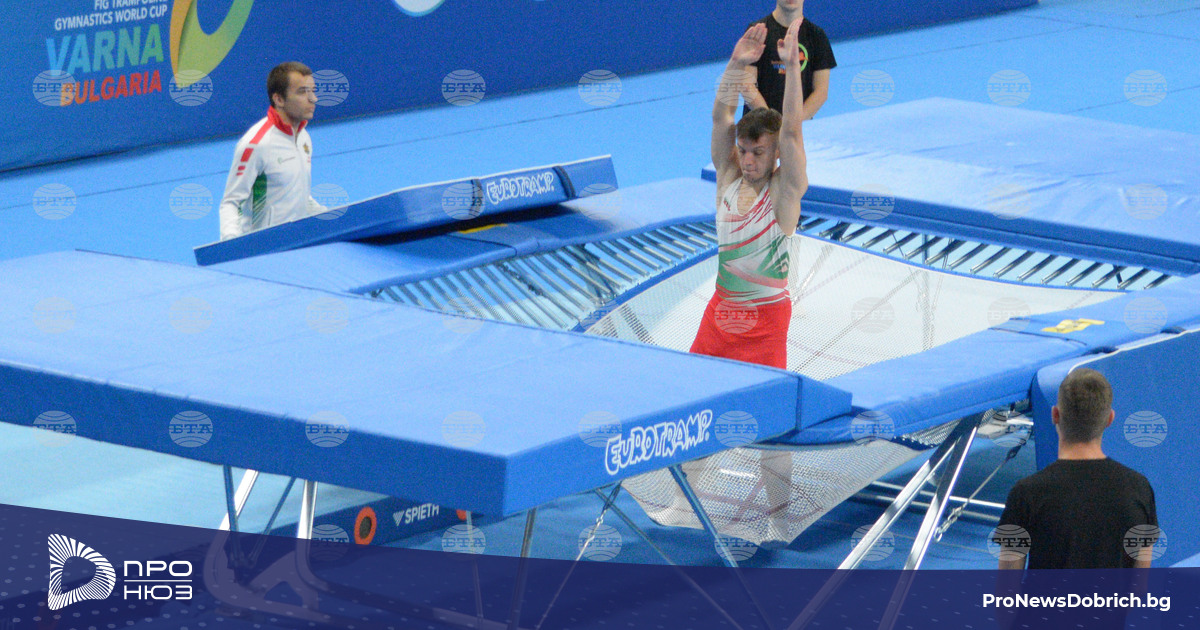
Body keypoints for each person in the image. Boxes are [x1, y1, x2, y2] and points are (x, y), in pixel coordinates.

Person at [690, 20, 807, 370]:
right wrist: (736, 62)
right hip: (720, 313)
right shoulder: (728, 178)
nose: (748, 161)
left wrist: (791, 68)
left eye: (758, 152)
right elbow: (721, 118)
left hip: (766, 323)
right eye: (743, 151)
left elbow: (792, 132)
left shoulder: (783, 193)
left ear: (775, 154)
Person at [997, 368, 1158, 570]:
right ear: (1110, 419)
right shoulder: (1139, 489)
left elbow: (1008, 585)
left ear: (1055, 415)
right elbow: (1140, 581)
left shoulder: (1025, 493)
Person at [218, 61, 326, 241]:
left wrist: (327, 217)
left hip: (297, 241)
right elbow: (232, 202)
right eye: (302, 92)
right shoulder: (256, 144)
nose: (313, 99)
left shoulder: (303, 138)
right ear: (279, 99)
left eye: (313, 91)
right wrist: (232, 243)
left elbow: (297, 194)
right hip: (263, 246)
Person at [744, 0, 836, 119]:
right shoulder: (757, 32)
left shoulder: (817, 36)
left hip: (799, 124)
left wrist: (795, 124)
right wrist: (771, 121)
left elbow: (821, 91)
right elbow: (747, 85)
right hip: (760, 123)